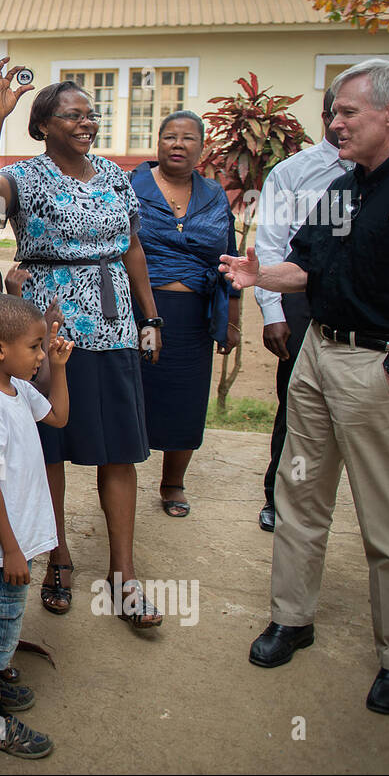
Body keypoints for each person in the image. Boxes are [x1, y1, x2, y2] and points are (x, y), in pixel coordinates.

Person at [220, 58, 389, 715]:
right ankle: (292, 618)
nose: (333, 121)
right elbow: (308, 269)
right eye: (332, 112)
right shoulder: (342, 189)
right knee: (299, 495)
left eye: (347, 113)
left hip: (378, 370)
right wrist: (260, 278)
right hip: (316, 358)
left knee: (387, 522)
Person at [0, 58, 164, 627]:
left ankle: (124, 574)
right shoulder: (27, 178)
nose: (87, 122)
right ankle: (59, 558)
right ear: (44, 126)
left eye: (90, 114)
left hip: (113, 324)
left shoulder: (113, 175)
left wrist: (150, 317)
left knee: (119, 448)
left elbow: (132, 248)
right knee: (52, 445)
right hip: (50, 331)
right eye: (73, 115)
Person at [0, 294, 70, 758]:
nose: (42, 355)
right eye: (36, 347)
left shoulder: (19, 389)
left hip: (13, 541)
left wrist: (59, 368)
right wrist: (10, 549)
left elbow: (59, 418)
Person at [131, 110, 241, 518]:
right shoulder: (129, 187)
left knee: (187, 399)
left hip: (196, 315)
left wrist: (231, 321)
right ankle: (120, 471)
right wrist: (146, 319)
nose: (178, 144)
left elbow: (229, 261)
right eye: (170, 137)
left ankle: (172, 482)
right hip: (139, 311)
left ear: (202, 148)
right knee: (135, 395)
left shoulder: (214, 195)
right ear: (157, 143)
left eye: (189, 138)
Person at [253, 89, 352, 532]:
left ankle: (326, 502)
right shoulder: (294, 172)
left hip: (362, 304)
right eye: (338, 111)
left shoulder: (385, 176)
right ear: (326, 113)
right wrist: (273, 312)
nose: (344, 121)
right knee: (295, 402)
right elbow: (272, 244)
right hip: (301, 298)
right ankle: (279, 497)